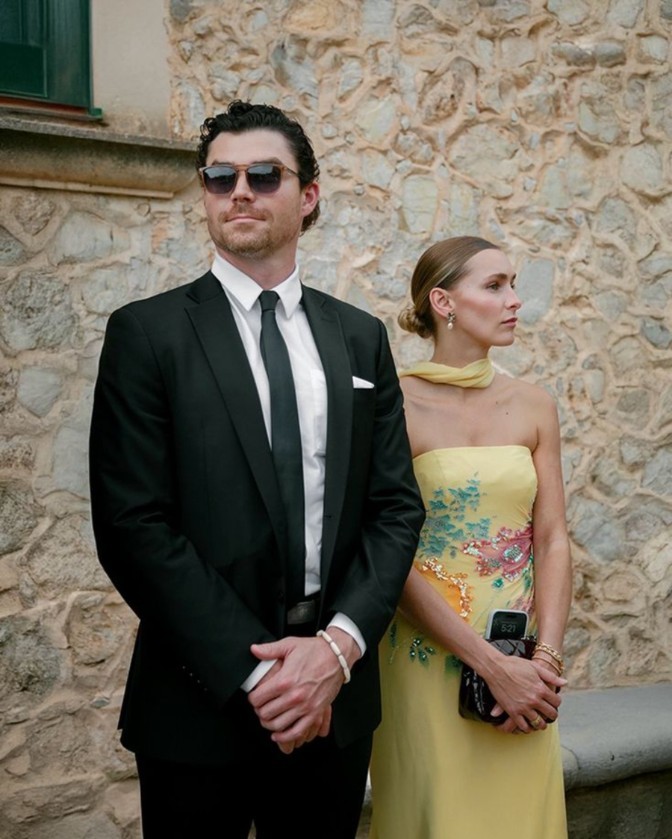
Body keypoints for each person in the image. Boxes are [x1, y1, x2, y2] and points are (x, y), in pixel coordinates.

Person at [89, 100, 424, 839]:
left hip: (334, 700)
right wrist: (263, 675)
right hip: (197, 699)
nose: (239, 191)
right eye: (220, 177)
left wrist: (336, 650)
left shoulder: (359, 338)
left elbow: (396, 508)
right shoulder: (147, 334)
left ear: (307, 196)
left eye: (264, 175)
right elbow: (133, 525)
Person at [369, 236, 572, 839]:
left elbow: (553, 538)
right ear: (443, 302)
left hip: (522, 662)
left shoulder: (534, 405)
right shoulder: (394, 405)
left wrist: (543, 663)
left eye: (513, 284)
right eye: (494, 285)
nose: (515, 300)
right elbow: (386, 549)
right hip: (425, 658)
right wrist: (486, 663)